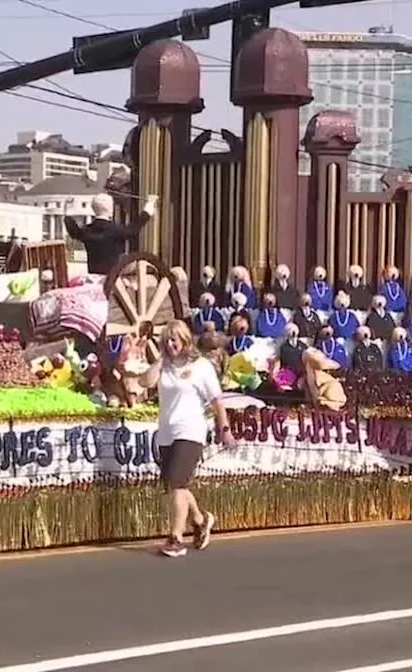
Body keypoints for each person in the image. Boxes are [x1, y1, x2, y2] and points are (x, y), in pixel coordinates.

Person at [137, 320, 236, 558]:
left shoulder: (201, 366)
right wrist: (161, 360)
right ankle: (201, 520)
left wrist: (224, 428)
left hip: (190, 430)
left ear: (185, 341)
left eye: (175, 340)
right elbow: (144, 382)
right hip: (166, 432)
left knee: (177, 482)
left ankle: (176, 538)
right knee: (175, 485)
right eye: (167, 341)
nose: (171, 345)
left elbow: (216, 401)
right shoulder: (165, 366)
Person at [65, 192, 157, 275]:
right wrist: (150, 205)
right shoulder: (116, 231)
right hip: (114, 278)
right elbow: (135, 227)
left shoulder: (86, 231)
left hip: (94, 274)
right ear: (110, 210)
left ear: (94, 209)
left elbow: (73, 231)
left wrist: (67, 211)